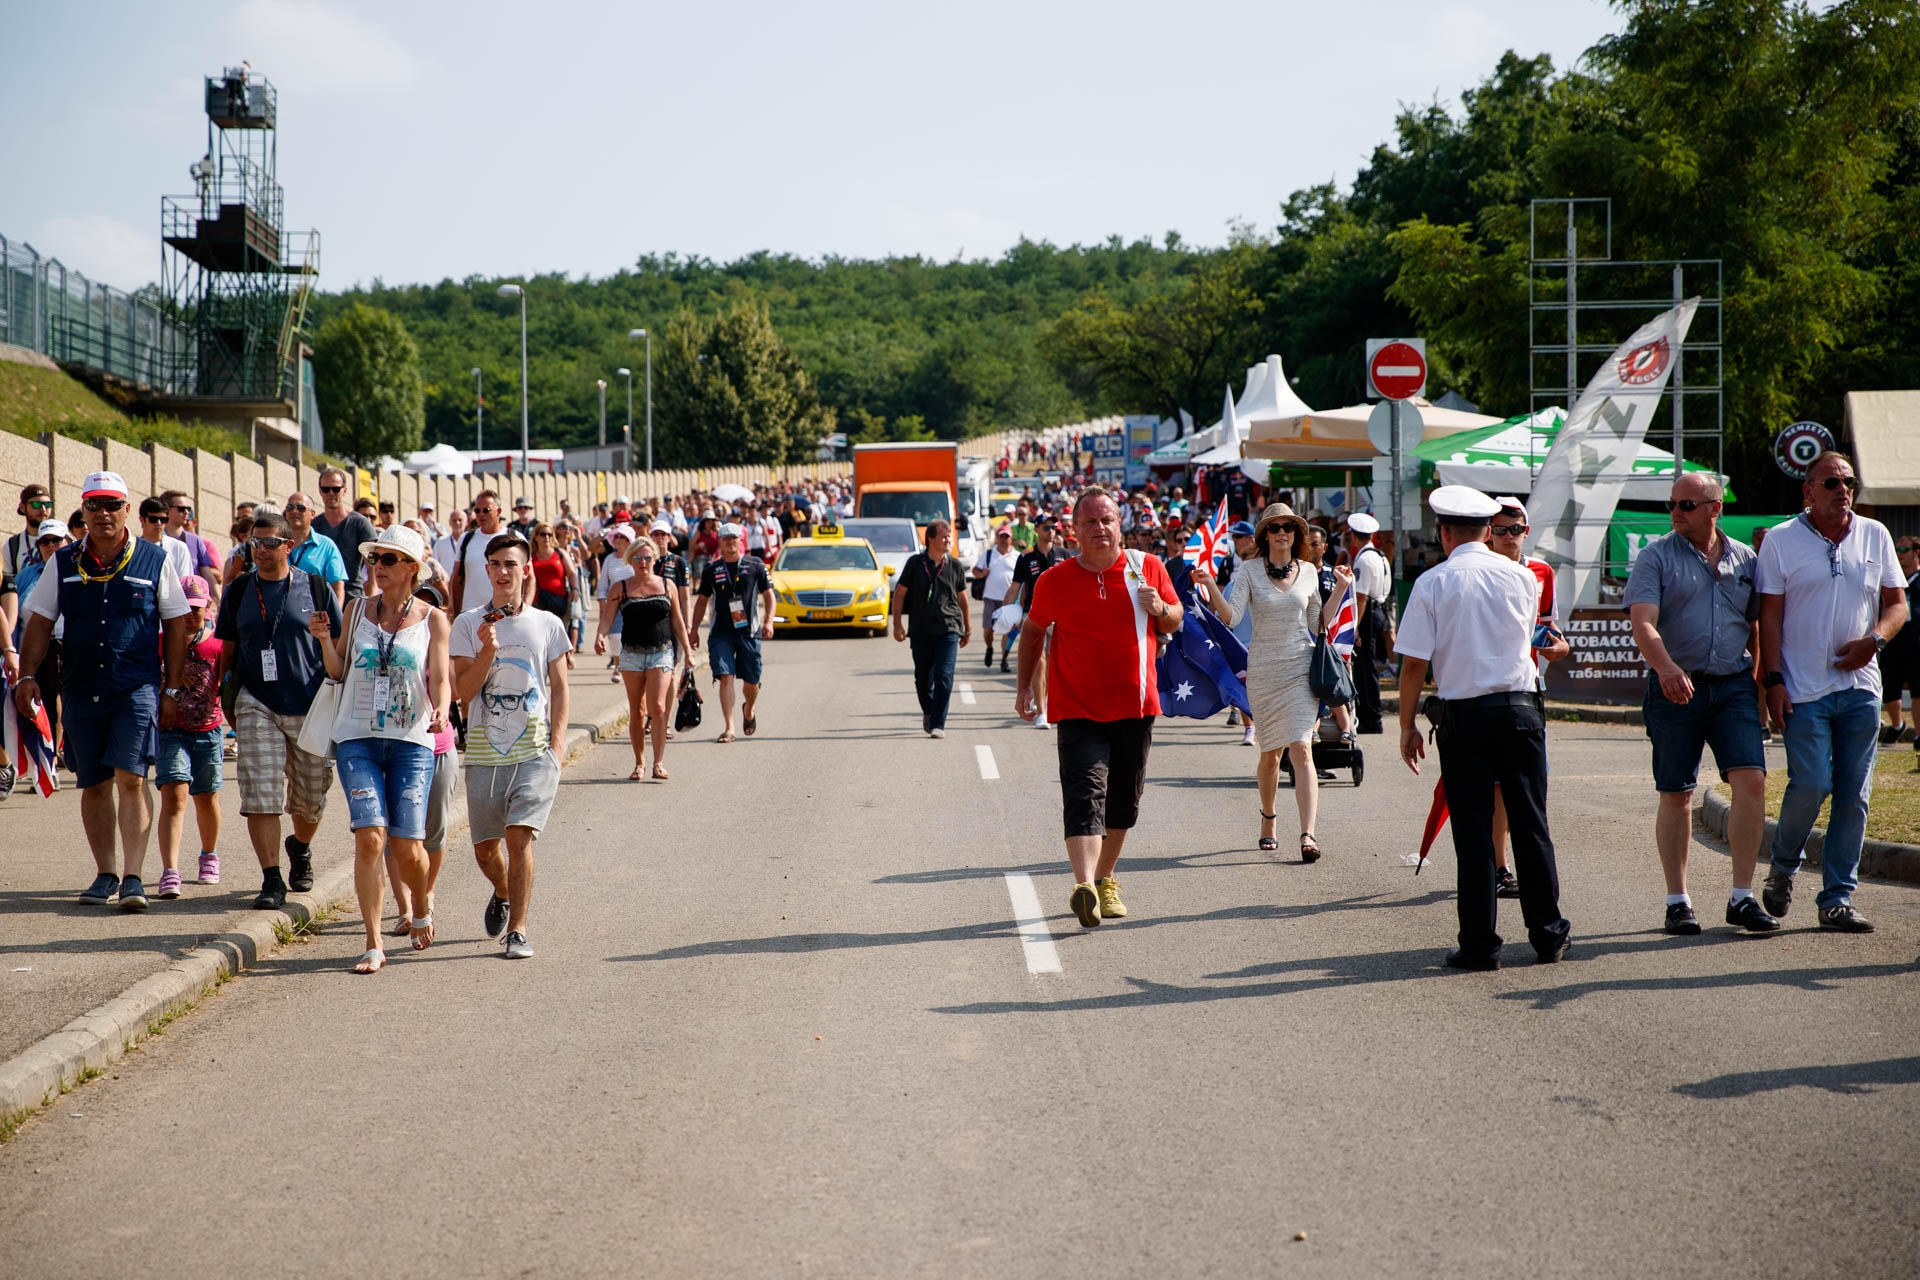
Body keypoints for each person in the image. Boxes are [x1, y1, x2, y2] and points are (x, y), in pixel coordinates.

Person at [1396, 485, 1570, 971]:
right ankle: (1548, 935)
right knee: (1532, 825)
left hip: (1465, 716)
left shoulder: (1432, 582)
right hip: (1521, 710)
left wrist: (1407, 725)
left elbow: (1414, 666)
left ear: (1445, 533)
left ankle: (1479, 944)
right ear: (1487, 531)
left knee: (1473, 834)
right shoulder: (1523, 577)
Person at [14, 472, 191, 910]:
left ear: (127, 509)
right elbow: (39, 620)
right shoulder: (63, 561)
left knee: (132, 777)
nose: (103, 513)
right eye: (93, 504)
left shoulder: (154, 558)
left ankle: (133, 877)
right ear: (84, 510)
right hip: (80, 687)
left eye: (112, 504)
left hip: (135, 687)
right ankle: (106, 873)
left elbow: (176, 624)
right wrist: (26, 675)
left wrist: (171, 690)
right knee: (94, 783)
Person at [1015, 487, 1183, 928]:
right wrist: (1025, 688)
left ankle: (1105, 879)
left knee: (1123, 802)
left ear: (1119, 523)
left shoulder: (1146, 567)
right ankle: (1084, 885)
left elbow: (1175, 617)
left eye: (1106, 519)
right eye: (1089, 521)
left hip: (1135, 705)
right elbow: (1033, 632)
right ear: (1074, 530)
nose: (1100, 528)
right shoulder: (1054, 580)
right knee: (1083, 795)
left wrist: (1160, 607)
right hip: (1077, 709)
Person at [1756, 451, 1907, 933]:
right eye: (1831, 483)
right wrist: (1773, 680)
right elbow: (1769, 616)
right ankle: (1783, 867)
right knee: (1812, 784)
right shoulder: (1781, 540)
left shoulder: (1875, 533)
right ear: (1808, 491)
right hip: (1803, 688)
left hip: (1861, 688)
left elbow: (1897, 604)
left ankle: (1837, 898)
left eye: (1849, 482)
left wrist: (1875, 641)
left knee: (1854, 795)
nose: (1843, 489)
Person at [1622, 475, 1779, 935]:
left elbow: (1755, 627)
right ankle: (1678, 901)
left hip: (1733, 686)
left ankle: (1742, 896)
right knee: (1677, 792)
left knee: (1751, 782)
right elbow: (1643, 623)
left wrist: (1761, 688)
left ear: (1715, 508)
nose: (1676, 512)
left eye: (1686, 505)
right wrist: (1666, 668)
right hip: (1675, 685)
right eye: (1671, 504)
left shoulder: (1746, 559)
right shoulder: (1655, 556)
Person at [312, 525, 450, 973]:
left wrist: (443, 709)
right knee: (370, 837)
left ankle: (421, 905)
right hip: (357, 737)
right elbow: (338, 670)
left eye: (389, 559)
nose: (378, 567)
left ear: (412, 568)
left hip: (411, 741)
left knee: (409, 847)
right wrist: (323, 641)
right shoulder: (356, 610)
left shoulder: (433, 618)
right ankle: (373, 943)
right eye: (374, 559)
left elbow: (440, 677)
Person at [1193, 504, 1350, 860]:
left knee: (1302, 748)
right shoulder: (1249, 570)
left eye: (1288, 527)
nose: (1281, 533)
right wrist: (1211, 586)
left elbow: (1317, 624)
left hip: (1300, 668)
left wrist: (1341, 589)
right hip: (1264, 671)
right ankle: (1269, 817)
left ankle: (1308, 834)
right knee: (1270, 756)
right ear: (1265, 535)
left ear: (1296, 534)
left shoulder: (1308, 571)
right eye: (1274, 527)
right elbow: (1231, 618)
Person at [213, 508, 344, 908]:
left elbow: (338, 647)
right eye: (255, 542)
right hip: (257, 701)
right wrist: (225, 697)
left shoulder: (316, 588)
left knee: (311, 798)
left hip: (310, 704)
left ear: (289, 545)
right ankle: (271, 878)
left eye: (270, 543)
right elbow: (228, 651)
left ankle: (299, 846)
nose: (261, 550)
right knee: (261, 792)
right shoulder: (238, 591)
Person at [451, 531, 572, 960]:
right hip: (485, 754)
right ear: (486, 571)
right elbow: (464, 693)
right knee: (486, 850)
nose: (503, 572)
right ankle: (502, 891)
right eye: (496, 564)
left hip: (535, 752)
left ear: (526, 570)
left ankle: (517, 930)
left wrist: (558, 745)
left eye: (511, 564)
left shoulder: (548, 623)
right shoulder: (467, 623)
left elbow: (560, 686)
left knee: (519, 837)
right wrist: (487, 648)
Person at [1486, 497, 1571, 898]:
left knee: (1528, 784)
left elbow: (1549, 628)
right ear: (1488, 533)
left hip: (1529, 689)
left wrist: (1560, 648)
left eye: (1515, 529)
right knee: (1495, 786)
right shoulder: (1478, 571)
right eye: (1500, 529)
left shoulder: (1541, 571)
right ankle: (1498, 866)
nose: (1508, 536)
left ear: (1526, 531)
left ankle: (1517, 867)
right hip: (1485, 689)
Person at [150, 574, 224, 899]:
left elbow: (225, 680)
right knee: (174, 796)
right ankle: (170, 870)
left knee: (206, 796)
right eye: (185, 607)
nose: (191, 614)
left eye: (197, 607)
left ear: (208, 607)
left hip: (208, 731)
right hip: (172, 730)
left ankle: (209, 854)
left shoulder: (217, 643)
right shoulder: (161, 641)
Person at [595, 535, 691, 778]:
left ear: (654, 559)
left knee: (657, 707)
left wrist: (688, 651)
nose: (643, 562)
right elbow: (607, 618)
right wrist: (600, 636)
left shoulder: (667, 585)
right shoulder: (621, 588)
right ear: (630, 560)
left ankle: (658, 762)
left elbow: (677, 622)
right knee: (637, 710)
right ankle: (640, 763)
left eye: (647, 557)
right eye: (637, 558)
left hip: (662, 652)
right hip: (632, 655)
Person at [1, 518, 71, 797]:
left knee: (69, 702)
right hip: (38, 646)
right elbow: (17, 617)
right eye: (45, 542)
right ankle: (48, 763)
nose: (51, 546)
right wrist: (14, 652)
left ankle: (70, 750)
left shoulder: (78, 569)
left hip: (70, 645)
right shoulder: (27, 575)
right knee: (43, 704)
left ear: (67, 541)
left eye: (57, 540)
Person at [690, 522, 773, 743]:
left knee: (752, 681)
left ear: (740, 539)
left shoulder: (755, 564)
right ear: (720, 541)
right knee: (725, 676)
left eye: (733, 537)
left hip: (749, 632)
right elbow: (701, 601)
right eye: (725, 538)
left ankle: (749, 709)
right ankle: (729, 727)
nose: (730, 542)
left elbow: (769, 594)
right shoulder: (712, 569)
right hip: (721, 633)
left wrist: (769, 621)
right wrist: (694, 630)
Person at [892, 519, 972, 738]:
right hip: (921, 630)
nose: (948, 540)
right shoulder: (915, 563)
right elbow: (900, 593)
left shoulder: (954, 565)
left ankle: (938, 724)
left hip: (949, 628)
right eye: (944, 537)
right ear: (931, 540)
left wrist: (967, 628)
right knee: (923, 680)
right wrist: (897, 624)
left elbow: (962, 598)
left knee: (944, 676)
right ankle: (928, 710)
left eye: (949, 536)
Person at [1006, 515, 1071, 731]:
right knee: (1039, 660)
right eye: (1046, 527)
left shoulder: (1064, 555)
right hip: (1034, 615)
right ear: (1036, 529)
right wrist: (1006, 613)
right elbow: (1015, 587)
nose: (1051, 531)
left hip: (1060, 615)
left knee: (1053, 662)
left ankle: (1045, 700)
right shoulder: (1026, 557)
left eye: (1053, 527)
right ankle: (1042, 712)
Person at [1344, 513, 1391, 734]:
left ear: (1354, 536)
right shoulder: (1380, 556)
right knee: (1366, 667)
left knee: (1365, 669)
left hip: (1368, 615)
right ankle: (1371, 717)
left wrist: (1354, 628)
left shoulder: (1363, 559)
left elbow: (1361, 597)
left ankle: (1371, 718)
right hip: (1377, 610)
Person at [451, 491, 533, 614]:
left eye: (486, 510)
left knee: (492, 624)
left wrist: (521, 611)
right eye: (477, 510)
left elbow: (530, 578)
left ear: (498, 511)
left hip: (504, 613)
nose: (481, 514)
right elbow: (457, 579)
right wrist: (456, 614)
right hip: (471, 613)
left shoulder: (515, 537)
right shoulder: (465, 539)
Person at [310, 467, 378, 601]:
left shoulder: (360, 523)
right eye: (326, 489)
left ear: (344, 490)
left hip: (352, 596)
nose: (331, 493)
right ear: (320, 492)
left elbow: (372, 567)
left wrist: (373, 600)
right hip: (320, 598)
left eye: (336, 489)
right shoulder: (314, 525)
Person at [1876, 536, 1920, 743]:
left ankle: (1918, 734)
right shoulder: (1890, 579)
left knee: (1917, 689)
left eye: (1904, 549)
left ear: (1916, 552)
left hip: (1916, 641)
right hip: (1892, 639)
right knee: (1889, 688)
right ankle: (1897, 724)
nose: (1899, 554)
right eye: (1897, 550)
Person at [282, 492, 348, 604]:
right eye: (290, 507)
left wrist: (335, 613)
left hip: (314, 612)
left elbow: (337, 585)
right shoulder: (276, 543)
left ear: (312, 514)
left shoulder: (326, 546)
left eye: (301, 508)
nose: (294, 511)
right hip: (279, 611)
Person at [972, 525, 1021, 672]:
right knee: (988, 629)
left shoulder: (1017, 556)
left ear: (1011, 539)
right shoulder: (988, 554)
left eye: (1007, 537)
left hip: (1009, 600)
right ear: (997, 538)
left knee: (1007, 631)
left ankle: (1004, 659)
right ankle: (989, 647)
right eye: (1001, 536)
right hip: (990, 597)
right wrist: (981, 574)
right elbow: (975, 570)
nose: (1004, 540)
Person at [160, 490, 222, 607]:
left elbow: (207, 574)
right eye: (181, 509)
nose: (186, 512)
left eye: (188, 508)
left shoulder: (195, 540)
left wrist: (220, 602)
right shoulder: (157, 539)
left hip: (190, 605)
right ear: (167, 510)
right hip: (163, 603)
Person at [138, 497, 196, 584]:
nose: (159, 523)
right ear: (142, 520)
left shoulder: (179, 548)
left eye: (163, 520)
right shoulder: (133, 548)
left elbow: (185, 583)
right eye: (153, 519)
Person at [432, 507, 468, 578]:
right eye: (454, 520)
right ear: (449, 523)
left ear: (466, 522)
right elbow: (434, 564)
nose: (457, 523)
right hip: (446, 582)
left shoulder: (471, 541)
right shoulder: (441, 542)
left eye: (460, 520)